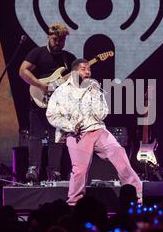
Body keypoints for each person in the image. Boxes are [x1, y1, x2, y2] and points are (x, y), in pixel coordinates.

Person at [46, 59, 143, 206]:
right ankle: (74, 203)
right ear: (74, 72)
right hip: (76, 135)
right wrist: (70, 126)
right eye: (84, 69)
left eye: (89, 69)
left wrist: (95, 93)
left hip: (97, 130)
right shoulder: (61, 92)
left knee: (119, 153)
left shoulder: (94, 88)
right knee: (80, 170)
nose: (88, 72)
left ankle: (138, 195)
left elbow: (102, 113)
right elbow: (52, 115)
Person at [19, 23, 76, 182]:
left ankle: (54, 171)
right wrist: (40, 86)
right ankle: (33, 169)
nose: (58, 42)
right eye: (55, 39)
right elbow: (23, 71)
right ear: (49, 37)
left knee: (56, 138)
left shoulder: (69, 58)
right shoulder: (37, 53)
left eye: (61, 40)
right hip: (39, 101)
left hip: (58, 105)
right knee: (35, 137)